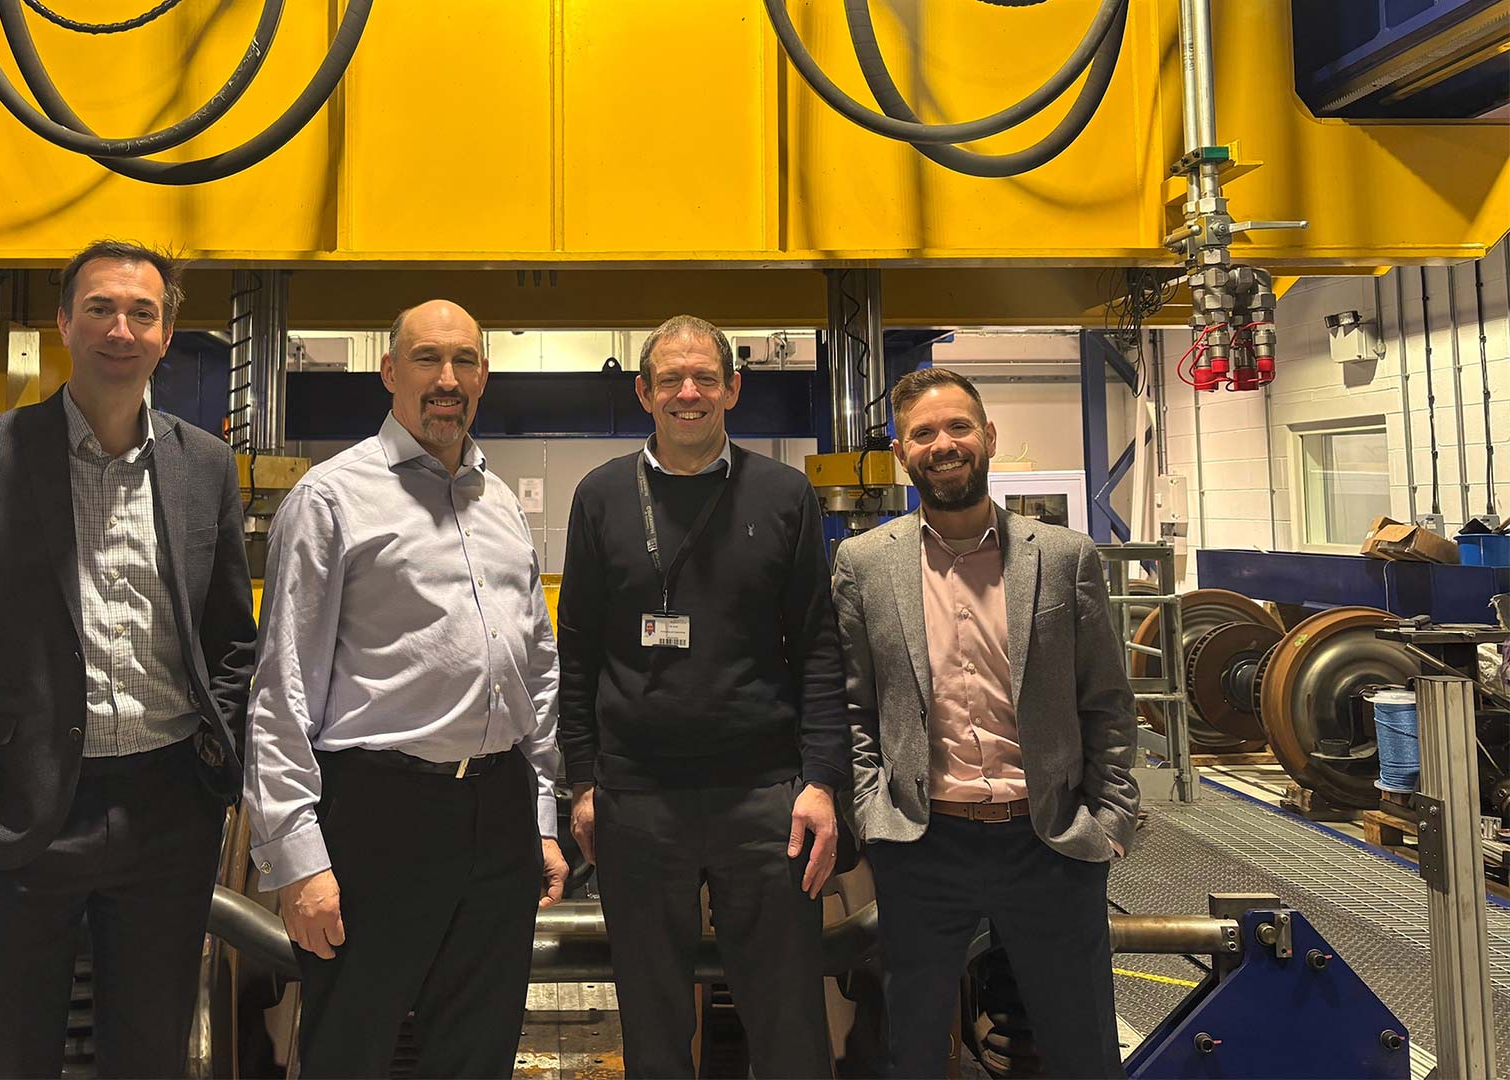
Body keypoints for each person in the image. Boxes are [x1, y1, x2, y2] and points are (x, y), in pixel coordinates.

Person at [0, 240, 256, 1077]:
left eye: (142, 312)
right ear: (64, 322)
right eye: (99, 307)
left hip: (169, 808)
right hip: (21, 812)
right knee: (14, 1053)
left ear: (168, 333)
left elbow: (232, 641)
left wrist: (217, 770)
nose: (119, 328)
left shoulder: (204, 465)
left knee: (151, 1054)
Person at [242, 299, 565, 1078]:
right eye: (427, 359)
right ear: (390, 372)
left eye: (464, 362)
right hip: (377, 817)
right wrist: (298, 861)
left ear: (484, 377)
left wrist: (542, 814)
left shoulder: (501, 504)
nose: (446, 379)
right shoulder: (330, 499)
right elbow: (281, 688)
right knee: (349, 1051)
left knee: (476, 1053)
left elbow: (536, 668)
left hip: (496, 815)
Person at [558, 315, 847, 1078]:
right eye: (672, 380)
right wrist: (583, 781)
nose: (689, 393)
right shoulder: (601, 497)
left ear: (733, 389)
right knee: (652, 1030)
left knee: (787, 1024)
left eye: (705, 379)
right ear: (644, 393)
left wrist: (820, 781)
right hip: (637, 799)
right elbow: (578, 648)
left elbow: (819, 647)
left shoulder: (785, 494)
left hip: (765, 799)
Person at [832, 366, 1139, 1079]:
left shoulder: (1064, 557)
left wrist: (1111, 818)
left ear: (989, 436)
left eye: (958, 427)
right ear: (904, 453)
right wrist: (871, 812)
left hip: (1052, 840)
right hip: (924, 843)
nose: (944, 444)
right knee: (912, 1048)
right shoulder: (864, 565)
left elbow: (1106, 700)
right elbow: (850, 707)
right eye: (924, 433)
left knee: (1084, 1047)